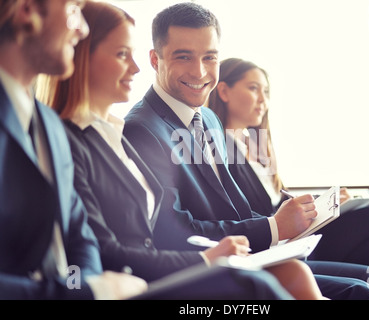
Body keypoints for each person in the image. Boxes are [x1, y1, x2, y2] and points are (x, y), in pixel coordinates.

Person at [37, 0, 326, 300]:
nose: (134, 68)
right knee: (283, 282)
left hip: (203, 259)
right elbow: (149, 235)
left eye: (209, 57)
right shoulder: (134, 129)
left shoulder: (120, 131)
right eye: (122, 54)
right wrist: (211, 256)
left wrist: (279, 230)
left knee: (326, 274)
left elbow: (231, 204)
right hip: (152, 277)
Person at [123, 2, 369, 300]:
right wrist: (272, 227)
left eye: (210, 57)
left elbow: (233, 207)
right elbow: (174, 230)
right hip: (212, 271)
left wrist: (292, 223)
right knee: (363, 291)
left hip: (254, 255)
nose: (199, 71)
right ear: (154, 59)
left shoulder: (209, 118)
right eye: (183, 56)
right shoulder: (142, 130)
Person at [208, 57, 369, 300]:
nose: (263, 99)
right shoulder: (222, 151)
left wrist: (327, 205)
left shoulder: (256, 149)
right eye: (253, 88)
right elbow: (251, 216)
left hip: (294, 236)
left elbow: (279, 204)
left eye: (266, 91)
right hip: (280, 247)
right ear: (225, 91)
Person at [0, 0, 149, 299]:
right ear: (27, 10)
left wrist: (80, 286)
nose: (82, 30)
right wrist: (85, 294)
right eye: (72, 10)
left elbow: (79, 239)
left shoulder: (50, 126)